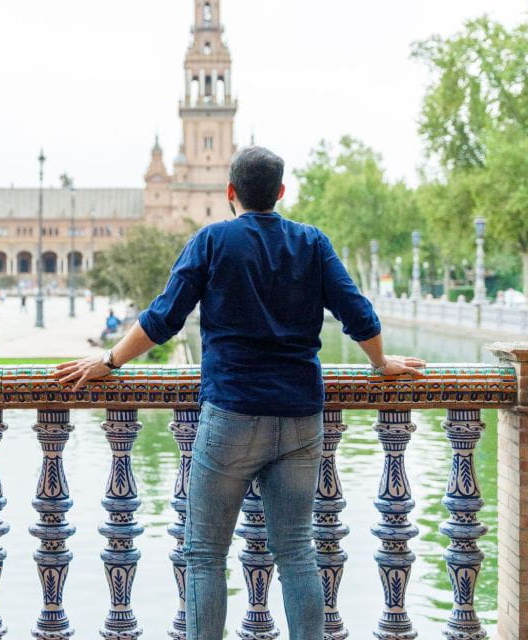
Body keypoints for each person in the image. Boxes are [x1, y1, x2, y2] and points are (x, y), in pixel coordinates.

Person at [54, 146, 425, 640]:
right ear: (281, 193)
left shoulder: (211, 241)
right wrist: (381, 363)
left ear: (230, 194)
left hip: (231, 414)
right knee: (297, 552)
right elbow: (359, 314)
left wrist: (109, 360)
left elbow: (163, 318)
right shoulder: (313, 243)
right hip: (299, 418)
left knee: (205, 554)